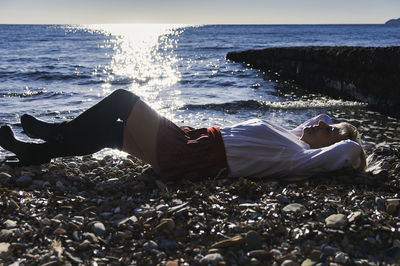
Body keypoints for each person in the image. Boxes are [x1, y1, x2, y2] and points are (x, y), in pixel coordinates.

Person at [0, 89, 367, 182]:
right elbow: (321, 117)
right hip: (188, 144)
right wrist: (324, 128)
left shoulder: (300, 157)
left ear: (330, 148)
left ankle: (57, 134)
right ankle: (39, 154)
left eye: (330, 131)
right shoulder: (295, 139)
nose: (322, 124)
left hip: (189, 156)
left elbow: (349, 149)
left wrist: (351, 141)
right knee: (112, 131)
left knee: (124, 101)